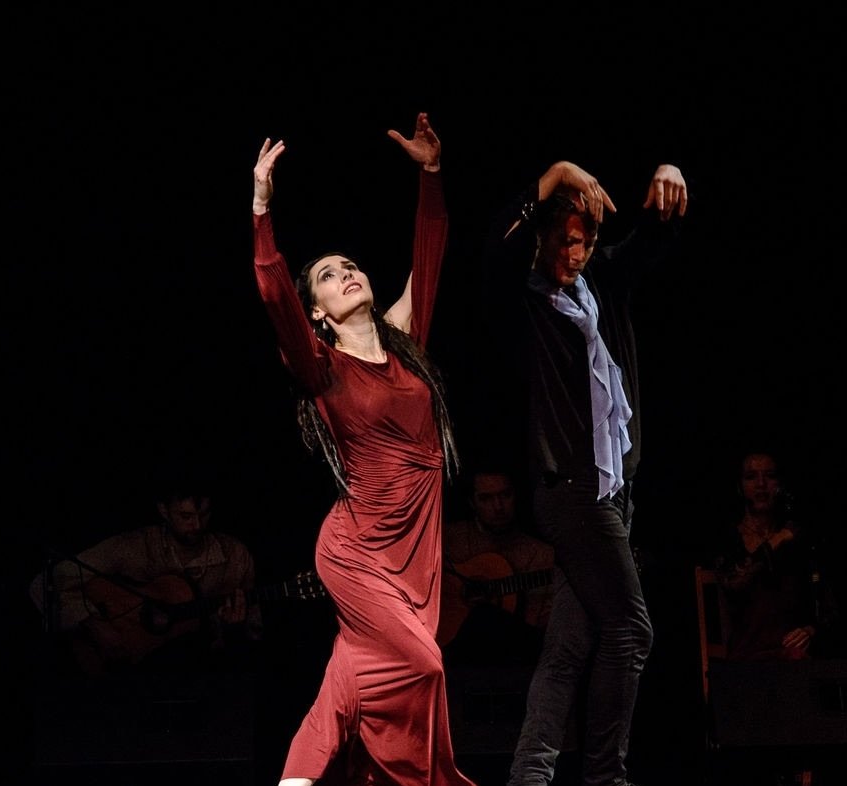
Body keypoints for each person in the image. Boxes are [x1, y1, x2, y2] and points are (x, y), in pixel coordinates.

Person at [251, 112, 477, 786]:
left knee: (349, 680)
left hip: (415, 548)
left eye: (349, 265)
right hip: (356, 548)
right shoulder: (320, 367)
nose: (346, 273)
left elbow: (429, 255)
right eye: (328, 275)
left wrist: (431, 175)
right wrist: (261, 209)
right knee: (425, 666)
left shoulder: (405, 341)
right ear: (318, 312)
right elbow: (274, 293)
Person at [477, 158, 689, 786]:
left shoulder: (602, 284)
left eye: (587, 242)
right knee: (631, 630)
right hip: (570, 490)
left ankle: (529, 775)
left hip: (614, 490)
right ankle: (605, 777)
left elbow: (652, 237)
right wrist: (558, 172)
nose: (576, 254)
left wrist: (669, 173)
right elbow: (494, 245)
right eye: (566, 240)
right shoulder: (525, 297)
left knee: (569, 647)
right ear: (543, 236)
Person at [28, 467, 263, 678]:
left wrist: (233, 630)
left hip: (204, 675)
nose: (198, 525)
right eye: (186, 516)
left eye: (205, 514)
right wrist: (93, 624)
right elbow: (43, 583)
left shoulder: (236, 556)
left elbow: (252, 638)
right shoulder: (131, 547)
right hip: (130, 677)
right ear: (164, 511)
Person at [709, 451, 837, 662]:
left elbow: (827, 604)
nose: (761, 484)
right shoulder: (730, 538)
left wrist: (809, 630)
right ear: (740, 486)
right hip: (747, 656)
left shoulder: (798, 539)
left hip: (792, 654)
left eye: (769, 476)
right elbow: (734, 582)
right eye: (751, 477)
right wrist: (778, 540)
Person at [440, 465, 556, 665]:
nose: (498, 507)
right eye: (486, 498)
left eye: (505, 495)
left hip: (510, 654)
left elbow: (535, 627)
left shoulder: (540, 554)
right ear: (472, 502)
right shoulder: (448, 539)